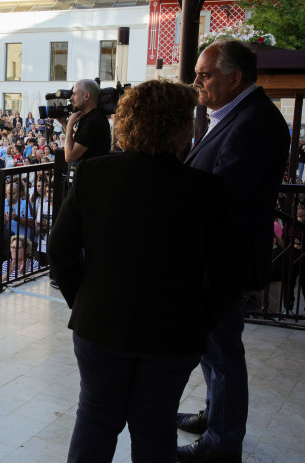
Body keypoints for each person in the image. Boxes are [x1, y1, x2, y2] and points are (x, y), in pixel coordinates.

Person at [48, 79, 239, 463]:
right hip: (174, 333)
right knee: (155, 426)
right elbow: (226, 273)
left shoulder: (93, 175)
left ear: (128, 122)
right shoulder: (208, 190)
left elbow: (60, 251)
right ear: (182, 128)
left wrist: (83, 301)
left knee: (96, 419)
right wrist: (199, 319)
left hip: (101, 325)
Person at [175, 40, 290, 462]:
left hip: (224, 260)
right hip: (216, 258)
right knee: (213, 351)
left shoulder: (255, 122)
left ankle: (222, 445)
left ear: (234, 78)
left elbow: (224, 194)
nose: (197, 82)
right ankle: (215, 416)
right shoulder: (234, 115)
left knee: (222, 354)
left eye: (205, 74)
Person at [55, 79, 111, 164]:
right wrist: (64, 122)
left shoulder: (93, 122)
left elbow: (69, 156)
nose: (70, 98)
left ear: (86, 96)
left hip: (90, 175)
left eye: (74, 94)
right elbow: (77, 142)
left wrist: (70, 125)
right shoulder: (93, 117)